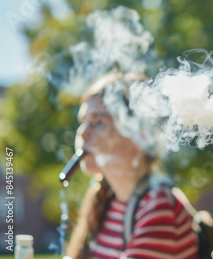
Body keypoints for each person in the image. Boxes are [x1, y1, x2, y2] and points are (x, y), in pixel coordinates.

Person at [66, 73, 198, 259]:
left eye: (98, 122)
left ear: (139, 135)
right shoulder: (105, 199)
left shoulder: (158, 205)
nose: (82, 132)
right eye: (83, 121)